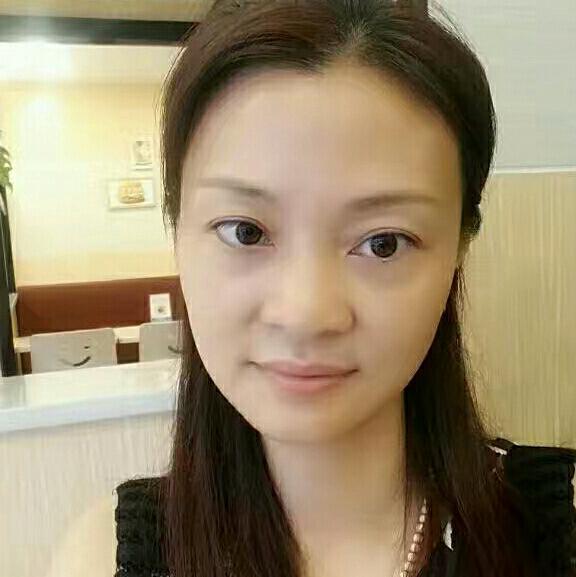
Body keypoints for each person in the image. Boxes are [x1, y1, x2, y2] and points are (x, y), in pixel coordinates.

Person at [51, 1, 576, 577]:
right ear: (178, 234)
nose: (305, 313)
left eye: (383, 243)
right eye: (246, 232)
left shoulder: (556, 526)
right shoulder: (100, 558)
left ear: (459, 249)